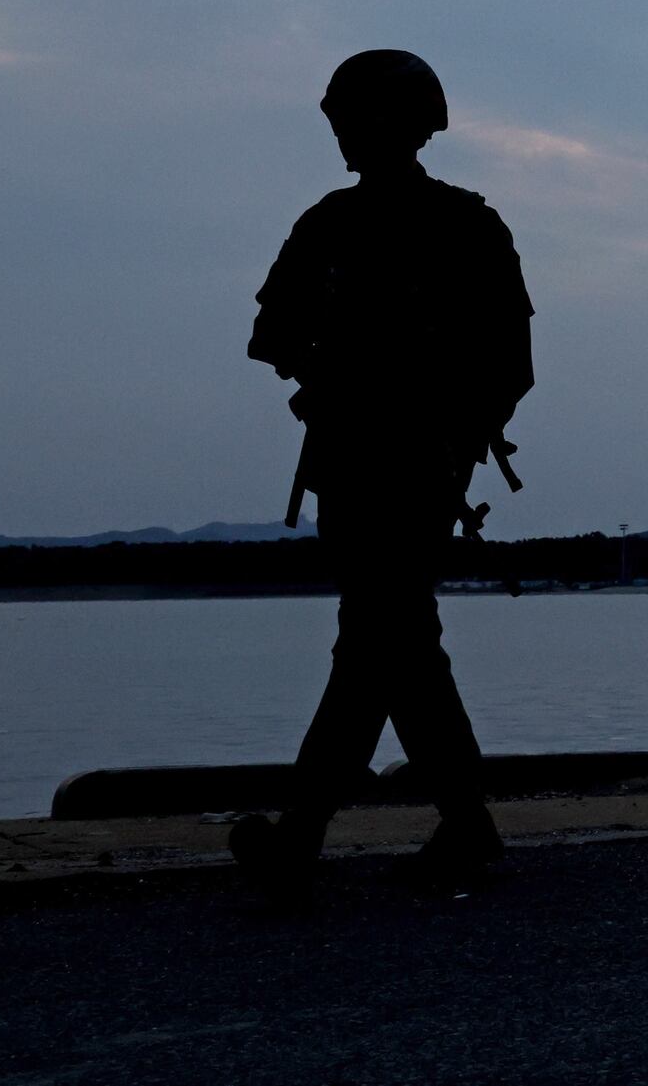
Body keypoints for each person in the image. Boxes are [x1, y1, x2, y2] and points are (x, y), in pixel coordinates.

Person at [228, 50, 535, 893]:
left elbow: (510, 361)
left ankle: (301, 834)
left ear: (391, 123)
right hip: (348, 462)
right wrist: (326, 353)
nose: (337, 136)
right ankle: (466, 822)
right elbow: (269, 334)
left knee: (376, 635)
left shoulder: (469, 227)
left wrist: (454, 433)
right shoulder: (327, 224)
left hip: (421, 467)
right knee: (395, 639)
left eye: (349, 120)